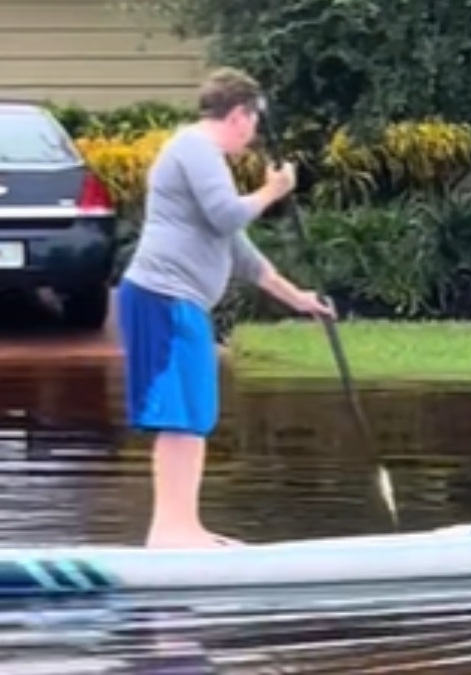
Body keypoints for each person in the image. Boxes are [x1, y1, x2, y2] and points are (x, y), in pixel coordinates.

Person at [116, 67, 336, 549]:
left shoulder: (201, 156)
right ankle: (170, 532)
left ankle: (183, 527)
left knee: (195, 414)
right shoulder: (195, 148)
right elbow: (228, 213)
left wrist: (298, 298)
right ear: (239, 115)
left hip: (180, 302)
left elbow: (237, 250)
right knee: (180, 415)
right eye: (253, 121)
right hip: (162, 297)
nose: (254, 134)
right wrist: (273, 191)